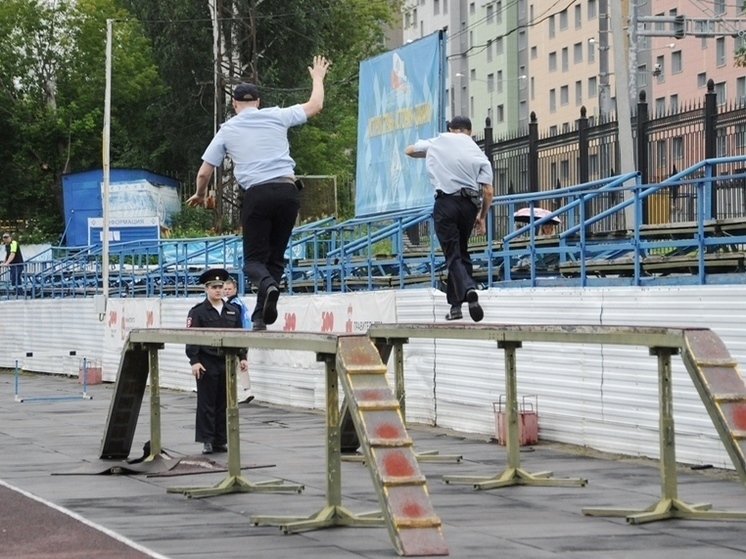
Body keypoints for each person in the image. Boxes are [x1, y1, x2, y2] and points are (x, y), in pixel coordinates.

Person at [187, 55, 331, 331]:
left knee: (253, 262)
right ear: (258, 102)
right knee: (275, 258)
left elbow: (204, 172)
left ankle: (266, 287)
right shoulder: (277, 115)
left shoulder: (227, 129)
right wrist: (317, 78)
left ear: (234, 104)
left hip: (258, 195)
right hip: (288, 192)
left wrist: (200, 194)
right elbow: (316, 105)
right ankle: (260, 317)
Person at [404, 116, 494, 322]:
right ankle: (455, 307)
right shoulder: (478, 153)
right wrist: (481, 217)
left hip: (446, 204)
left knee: (452, 254)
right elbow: (488, 191)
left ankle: (469, 289)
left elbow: (409, 150)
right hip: (470, 205)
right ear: (469, 132)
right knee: (462, 251)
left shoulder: (439, 141)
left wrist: (431, 153)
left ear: (451, 129)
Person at [186, 268, 248, 454]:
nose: (218, 290)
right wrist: (194, 360)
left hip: (226, 363)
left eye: (221, 286)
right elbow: (192, 338)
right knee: (207, 404)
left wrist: (242, 357)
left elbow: (239, 336)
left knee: (224, 403)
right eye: (214, 287)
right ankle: (207, 439)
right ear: (206, 288)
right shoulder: (198, 312)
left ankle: (221, 439)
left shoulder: (232, 311)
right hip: (206, 362)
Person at [222, 277, 255, 404]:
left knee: (239, 363)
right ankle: (247, 391)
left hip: (239, 337)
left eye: (229, 289)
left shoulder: (233, 305)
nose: (227, 291)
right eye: (225, 289)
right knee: (240, 364)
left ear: (235, 289)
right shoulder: (238, 302)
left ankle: (245, 391)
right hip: (244, 336)